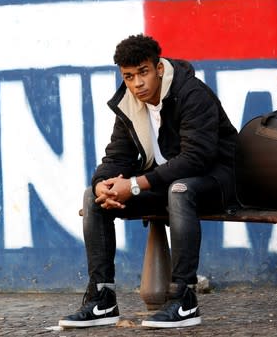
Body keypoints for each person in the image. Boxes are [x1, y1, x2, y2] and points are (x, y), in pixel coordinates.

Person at [58, 34, 238, 329]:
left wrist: (137, 184)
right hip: (162, 185)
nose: (137, 83)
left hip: (214, 182)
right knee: (92, 196)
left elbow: (197, 159)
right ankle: (102, 300)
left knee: (180, 190)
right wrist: (104, 182)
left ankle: (184, 300)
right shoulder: (130, 104)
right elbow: (117, 156)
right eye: (128, 77)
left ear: (159, 69)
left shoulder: (192, 94)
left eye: (143, 72)